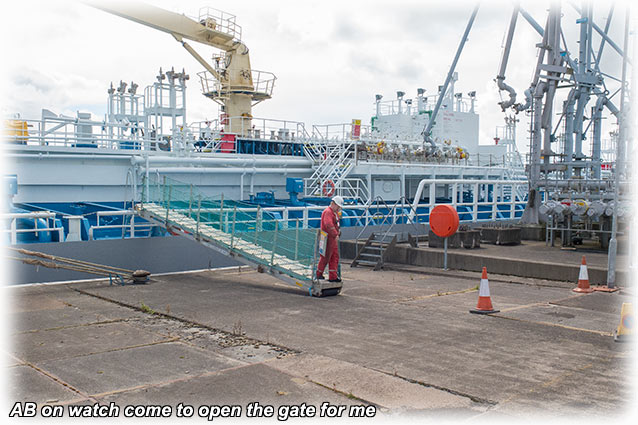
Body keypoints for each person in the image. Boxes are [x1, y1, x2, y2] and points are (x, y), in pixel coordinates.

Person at [316, 195, 344, 282]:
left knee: (333, 256)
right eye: (338, 207)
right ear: (334, 204)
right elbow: (328, 224)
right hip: (327, 238)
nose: (339, 208)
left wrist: (337, 233)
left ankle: (332, 276)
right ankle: (319, 274)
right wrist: (335, 234)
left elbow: (334, 224)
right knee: (326, 256)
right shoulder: (328, 212)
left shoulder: (333, 213)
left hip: (330, 238)